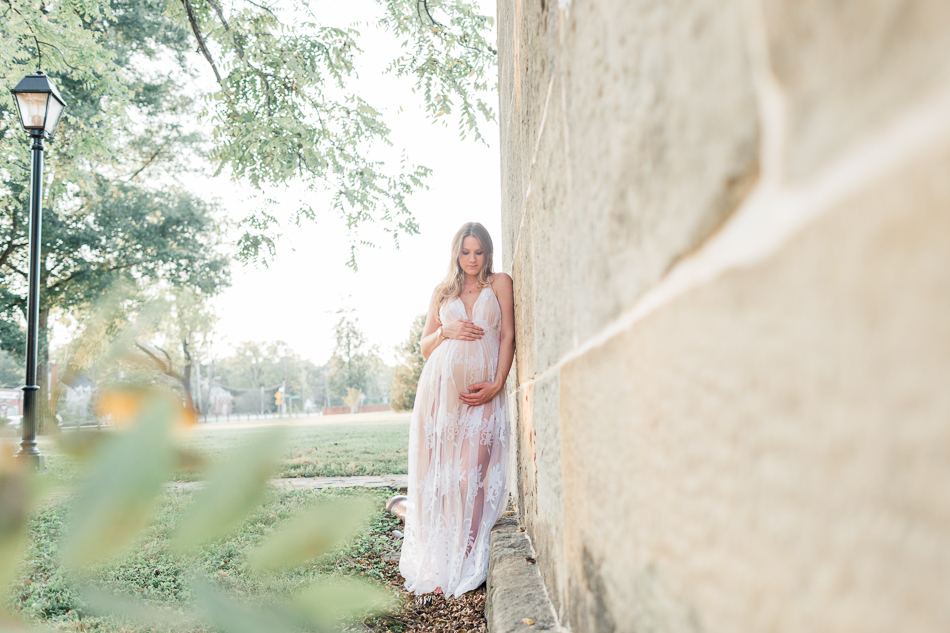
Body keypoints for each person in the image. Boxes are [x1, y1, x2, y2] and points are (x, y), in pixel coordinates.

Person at [399, 222, 515, 598]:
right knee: (443, 479)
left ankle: (465, 560)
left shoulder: (499, 283)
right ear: (456, 253)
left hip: (484, 393)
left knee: (468, 476)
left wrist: (498, 382)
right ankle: (443, 559)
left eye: (478, 252)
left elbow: (508, 336)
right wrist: (445, 332)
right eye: (465, 252)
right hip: (441, 398)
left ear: (488, 253)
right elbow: (425, 347)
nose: (472, 259)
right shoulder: (442, 292)